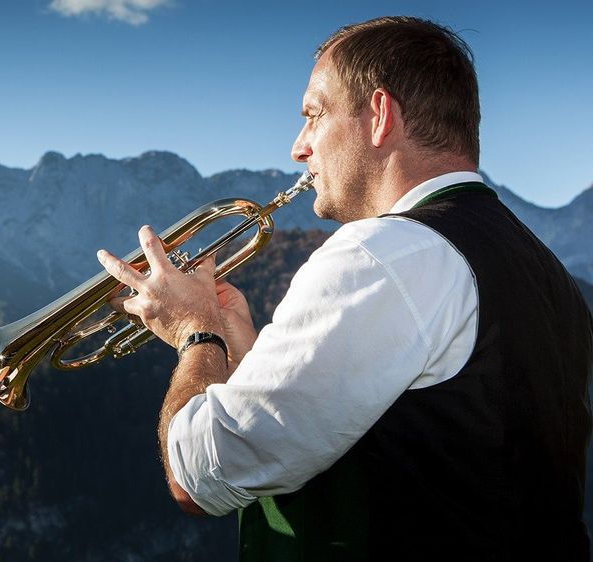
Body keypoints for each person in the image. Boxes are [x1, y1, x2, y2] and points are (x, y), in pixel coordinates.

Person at [98, 16, 593, 560]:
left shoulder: (382, 252)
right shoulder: (544, 271)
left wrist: (195, 334)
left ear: (379, 116)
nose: (298, 148)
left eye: (313, 114)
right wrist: (246, 350)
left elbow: (200, 476)